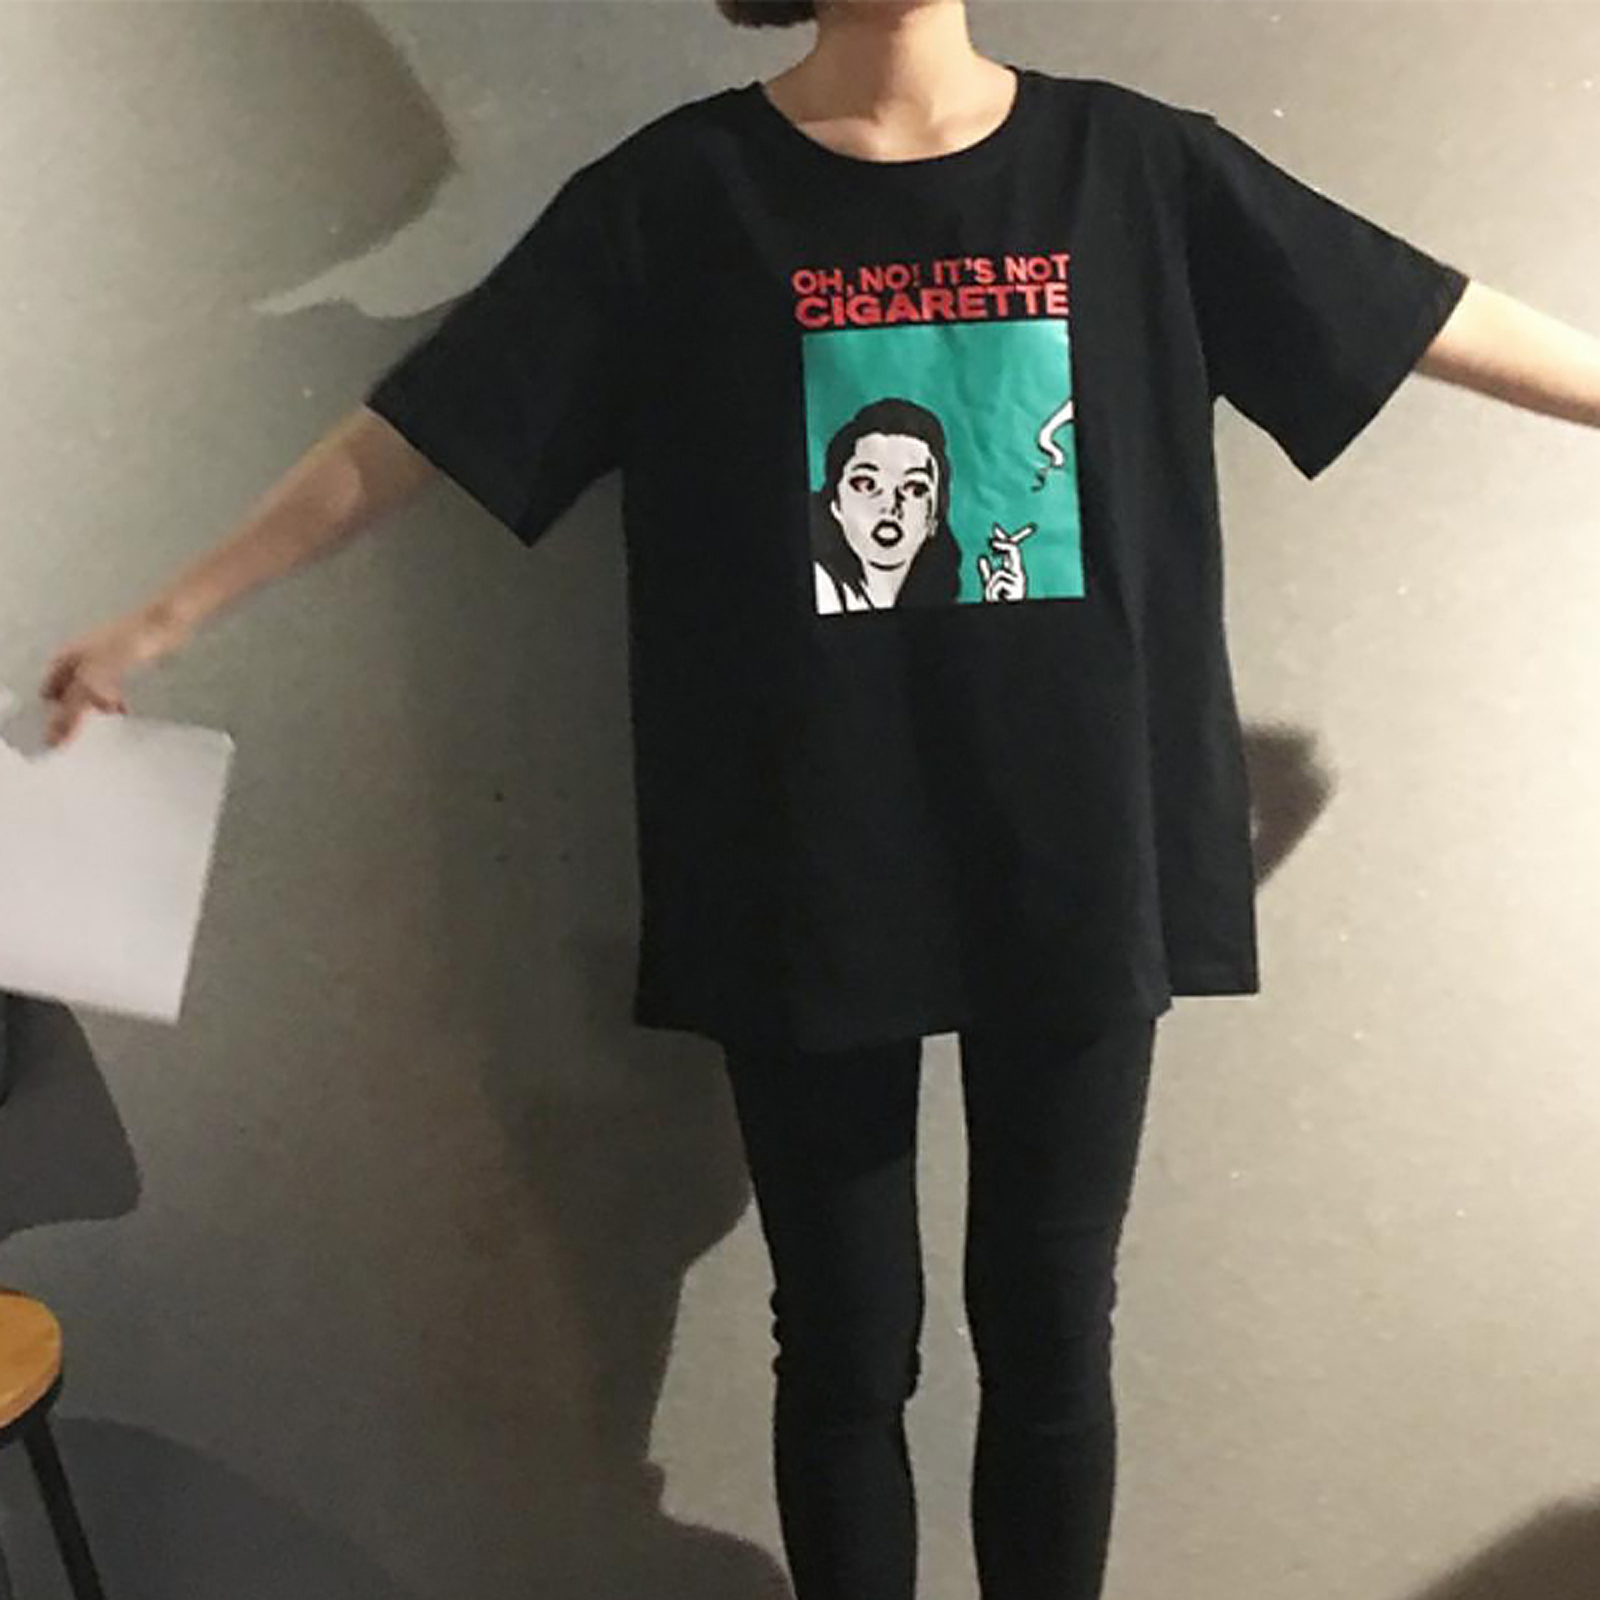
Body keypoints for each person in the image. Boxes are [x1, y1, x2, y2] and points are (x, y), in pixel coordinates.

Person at [31, 2, 1600, 1597]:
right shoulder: (679, 197)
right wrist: (163, 617)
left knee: (1053, 1328)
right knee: (847, 1338)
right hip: (800, 856)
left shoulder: (1137, 169)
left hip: (1077, 855)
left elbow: (1413, 310)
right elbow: (424, 427)